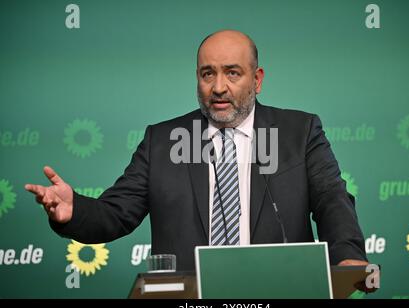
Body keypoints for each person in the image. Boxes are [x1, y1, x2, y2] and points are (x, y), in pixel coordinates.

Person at [25, 30, 368, 271]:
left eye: (233, 73)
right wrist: (73, 211)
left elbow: (331, 200)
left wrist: (347, 256)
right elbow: (116, 213)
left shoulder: (299, 132)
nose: (219, 87)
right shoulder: (163, 141)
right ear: (197, 78)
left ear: (257, 79)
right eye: (208, 74)